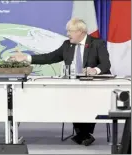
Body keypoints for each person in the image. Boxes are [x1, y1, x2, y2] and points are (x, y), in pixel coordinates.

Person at [9, 18, 111, 146]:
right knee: (71, 99)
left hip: (94, 86)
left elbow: (106, 64)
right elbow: (49, 57)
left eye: (70, 31)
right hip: (74, 86)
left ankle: (84, 134)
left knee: (86, 100)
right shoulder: (67, 45)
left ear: (80, 31)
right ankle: (84, 134)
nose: (68, 34)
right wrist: (26, 57)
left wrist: (94, 70)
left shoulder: (97, 43)